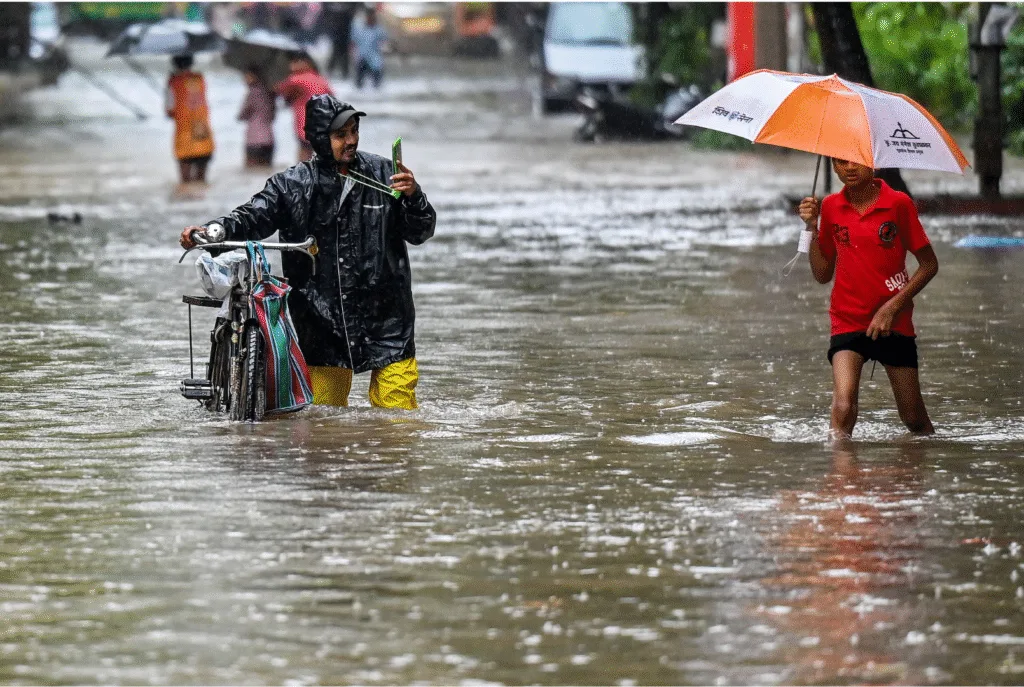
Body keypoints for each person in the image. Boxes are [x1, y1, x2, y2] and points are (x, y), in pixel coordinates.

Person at [179, 95, 436, 410]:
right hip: (322, 322)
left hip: (387, 319)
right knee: (324, 422)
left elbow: (421, 231)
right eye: (341, 135)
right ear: (319, 139)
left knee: (398, 420)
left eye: (355, 131)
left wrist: (414, 196)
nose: (351, 141)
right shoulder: (292, 185)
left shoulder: (387, 175)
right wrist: (212, 232)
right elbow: (251, 217)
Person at [798, 158, 939, 438]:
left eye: (857, 161)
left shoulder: (898, 203)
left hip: (894, 322)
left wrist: (892, 306)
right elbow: (823, 274)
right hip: (847, 319)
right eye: (840, 162)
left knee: (913, 419)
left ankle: (919, 471)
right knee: (842, 407)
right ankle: (842, 479)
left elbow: (929, 265)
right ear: (834, 168)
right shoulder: (830, 207)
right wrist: (811, 228)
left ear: (873, 163)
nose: (849, 168)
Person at [165, 54, 214, 183]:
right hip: (204, 137)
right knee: (201, 182)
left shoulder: (174, 82)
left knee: (185, 183)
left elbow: (169, 111)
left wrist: (169, 84)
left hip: (184, 140)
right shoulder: (200, 79)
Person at [276, 55, 334, 162]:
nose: (291, 65)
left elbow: (280, 89)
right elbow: (331, 95)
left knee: (304, 151)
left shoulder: (296, 79)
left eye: (295, 62)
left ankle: (302, 174)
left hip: (305, 122)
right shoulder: (320, 78)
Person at [238, 67, 276, 168]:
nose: (245, 79)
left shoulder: (252, 92)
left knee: (251, 170)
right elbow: (273, 116)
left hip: (254, 140)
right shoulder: (270, 93)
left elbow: (242, 114)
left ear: (255, 77)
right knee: (266, 173)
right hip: (269, 139)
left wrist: (240, 116)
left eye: (247, 76)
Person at [350, 8, 388, 89]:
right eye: (368, 17)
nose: (370, 19)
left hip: (375, 61)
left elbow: (385, 43)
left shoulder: (379, 30)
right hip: (362, 58)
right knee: (358, 84)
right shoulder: (359, 29)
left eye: (372, 17)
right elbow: (353, 43)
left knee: (377, 84)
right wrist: (353, 56)